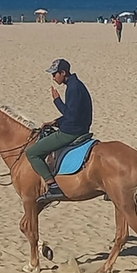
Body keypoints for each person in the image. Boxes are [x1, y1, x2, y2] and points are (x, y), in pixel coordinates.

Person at [27, 59, 95, 204]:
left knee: (31, 153)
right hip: (77, 126)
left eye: (55, 74)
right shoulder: (74, 85)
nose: (53, 77)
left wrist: (57, 101)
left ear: (63, 73)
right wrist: (56, 122)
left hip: (72, 132)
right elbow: (73, 114)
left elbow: (71, 116)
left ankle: (52, 186)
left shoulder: (73, 88)